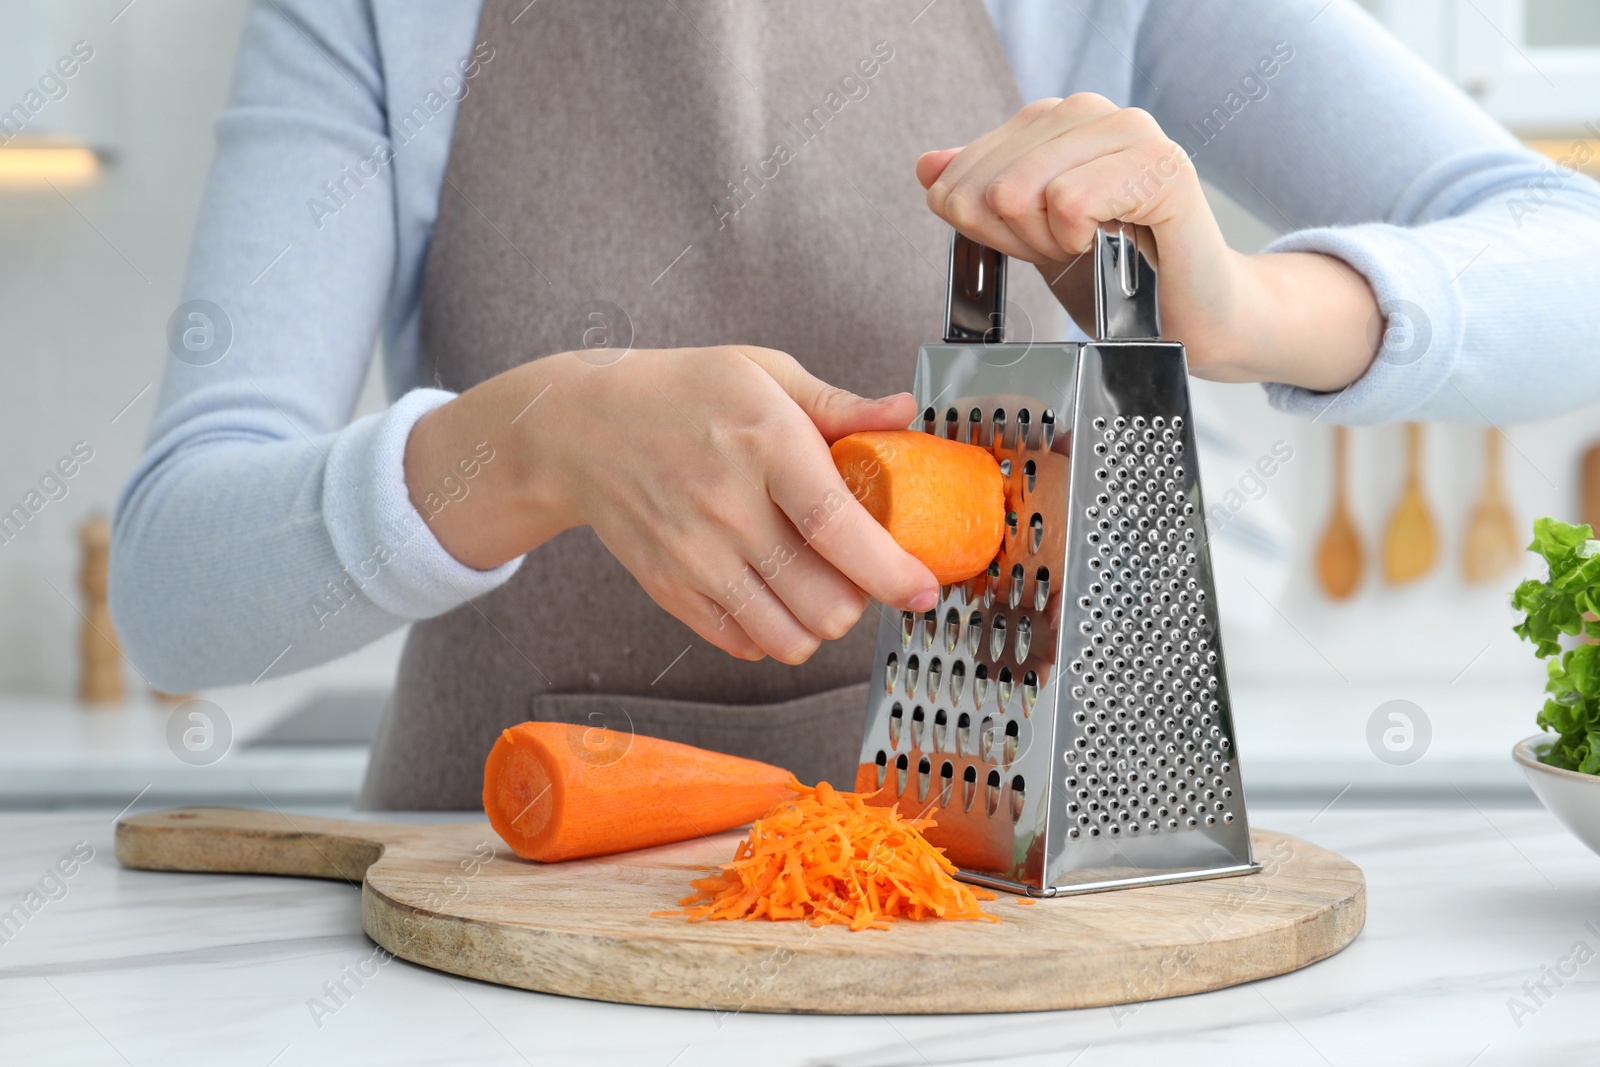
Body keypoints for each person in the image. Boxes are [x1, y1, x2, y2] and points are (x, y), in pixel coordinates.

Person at [111, 0, 1600, 808]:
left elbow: (1571, 257)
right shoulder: (373, 17)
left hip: (993, 948)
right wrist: (540, 436)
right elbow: (175, 592)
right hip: (490, 947)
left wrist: (1254, 305)